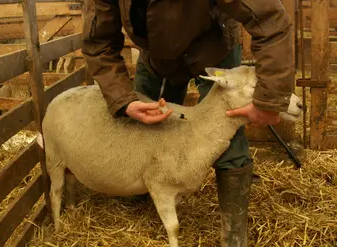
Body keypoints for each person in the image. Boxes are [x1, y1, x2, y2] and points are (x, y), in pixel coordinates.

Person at [82, 0, 294, 246]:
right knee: (147, 130)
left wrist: (269, 99)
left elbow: (268, 18)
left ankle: (234, 231)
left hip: (214, 44)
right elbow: (98, 42)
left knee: (224, 128)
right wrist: (122, 100)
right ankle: (147, 200)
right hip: (158, 55)